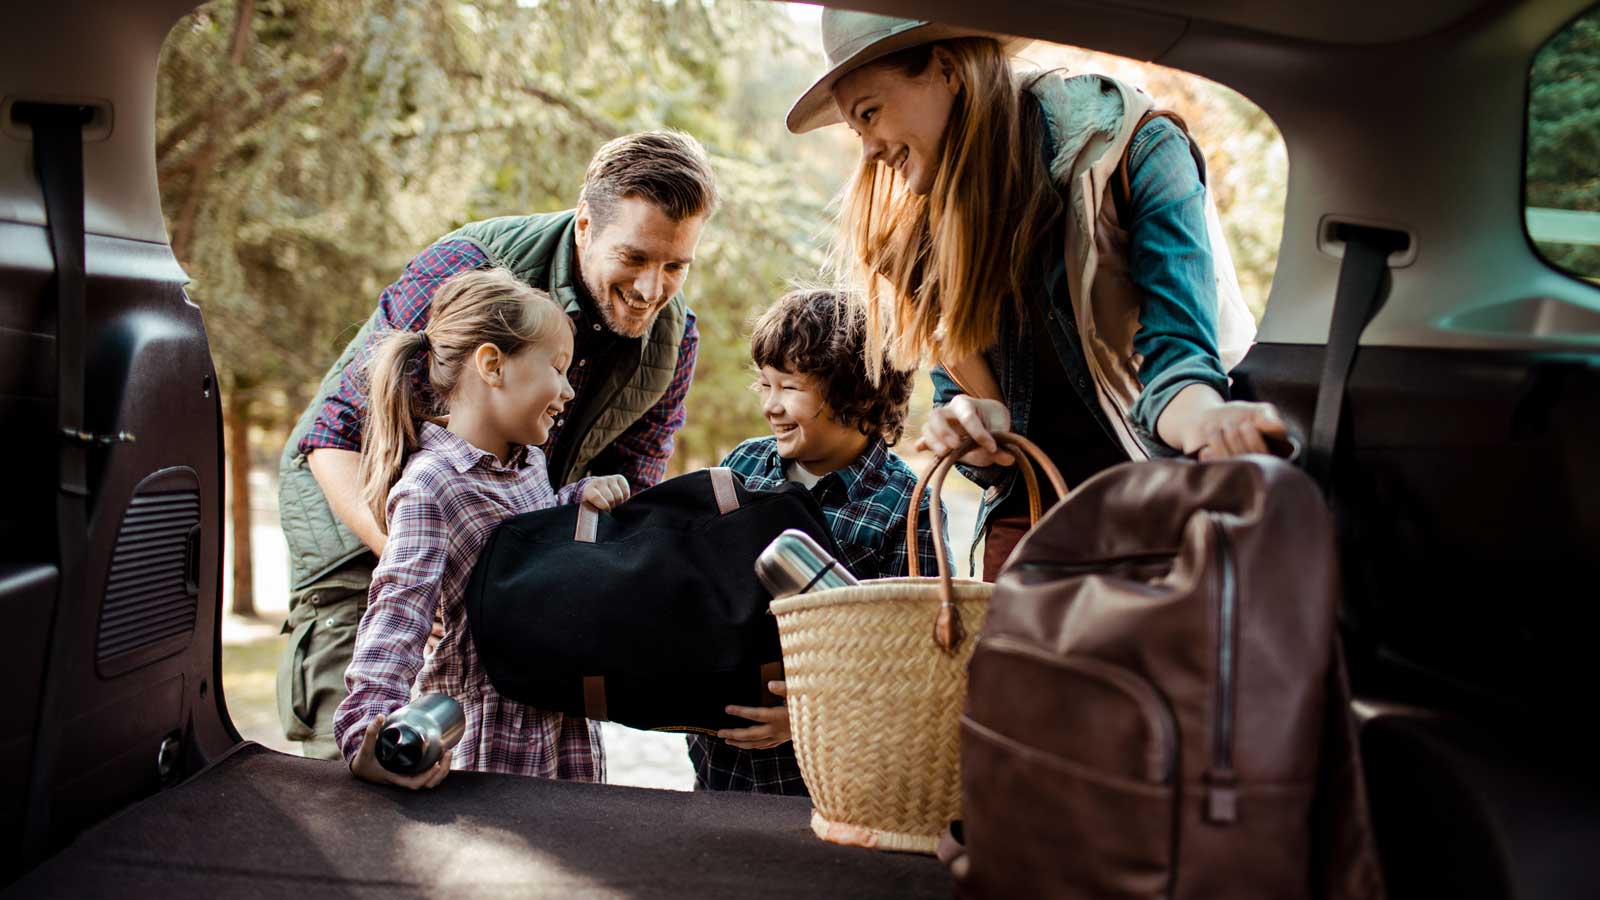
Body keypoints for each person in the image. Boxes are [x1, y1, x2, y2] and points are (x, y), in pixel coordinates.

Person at [790, 10, 1288, 578]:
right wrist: (967, 424)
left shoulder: (1136, 149)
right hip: (1033, 530)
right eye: (859, 132)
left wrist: (1212, 425)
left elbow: (1180, 366)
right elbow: (974, 416)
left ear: (947, 68)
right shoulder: (924, 241)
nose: (871, 152)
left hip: (1160, 506)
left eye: (870, 114)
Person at [276, 130, 716, 758]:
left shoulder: (674, 342)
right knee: (360, 772)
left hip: (504, 559)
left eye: (676, 266)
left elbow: (626, 503)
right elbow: (332, 435)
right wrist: (428, 578)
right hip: (364, 533)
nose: (652, 288)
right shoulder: (467, 263)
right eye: (636, 258)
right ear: (586, 225)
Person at [334, 267, 633, 788]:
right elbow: (397, 615)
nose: (567, 391)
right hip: (490, 741)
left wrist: (573, 501)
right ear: (493, 365)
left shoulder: (529, 464)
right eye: (558, 368)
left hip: (560, 729)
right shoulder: (433, 485)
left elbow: (526, 545)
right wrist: (367, 734)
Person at [687, 287, 947, 796]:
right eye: (764, 384)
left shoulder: (907, 506)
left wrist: (803, 719)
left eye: (789, 387)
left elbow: (917, 663)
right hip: (718, 770)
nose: (770, 406)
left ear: (857, 391)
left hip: (825, 781)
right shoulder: (743, 466)